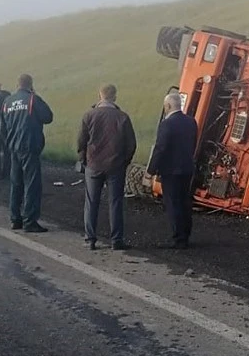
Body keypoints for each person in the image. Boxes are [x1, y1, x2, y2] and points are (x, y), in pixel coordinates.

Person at [77, 84, 137, 251]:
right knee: (115, 202)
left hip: (93, 164)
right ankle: (116, 240)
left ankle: (90, 239)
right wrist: (123, 162)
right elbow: (131, 144)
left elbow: (81, 141)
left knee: (91, 202)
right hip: (115, 165)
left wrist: (84, 160)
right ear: (115, 97)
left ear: (100, 96)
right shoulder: (122, 117)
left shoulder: (89, 115)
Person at [0, 73, 53, 232]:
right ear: (30, 84)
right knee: (32, 184)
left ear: (17, 85)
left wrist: (9, 142)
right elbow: (48, 117)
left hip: (13, 147)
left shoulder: (7, 101)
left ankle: (15, 219)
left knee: (16, 183)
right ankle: (30, 221)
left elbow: (2, 127)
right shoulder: (32, 99)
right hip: (30, 146)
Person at [147, 92, 199, 248]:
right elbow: (194, 144)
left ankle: (178, 238)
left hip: (170, 170)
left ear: (168, 106)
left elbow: (160, 148)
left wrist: (151, 170)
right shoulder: (191, 122)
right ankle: (186, 234)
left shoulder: (167, 124)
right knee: (184, 202)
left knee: (172, 203)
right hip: (187, 168)